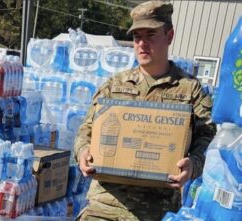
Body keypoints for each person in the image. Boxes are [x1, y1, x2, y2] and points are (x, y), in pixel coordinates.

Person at [74, 1, 216, 220]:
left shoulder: (190, 90)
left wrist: (193, 165)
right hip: (105, 206)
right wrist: (83, 152)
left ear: (169, 36)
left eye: (150, 35)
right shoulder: (115, 85)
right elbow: (87, 130)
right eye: (136, 37)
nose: (141, 44)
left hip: (157, 210)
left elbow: (208, 141)